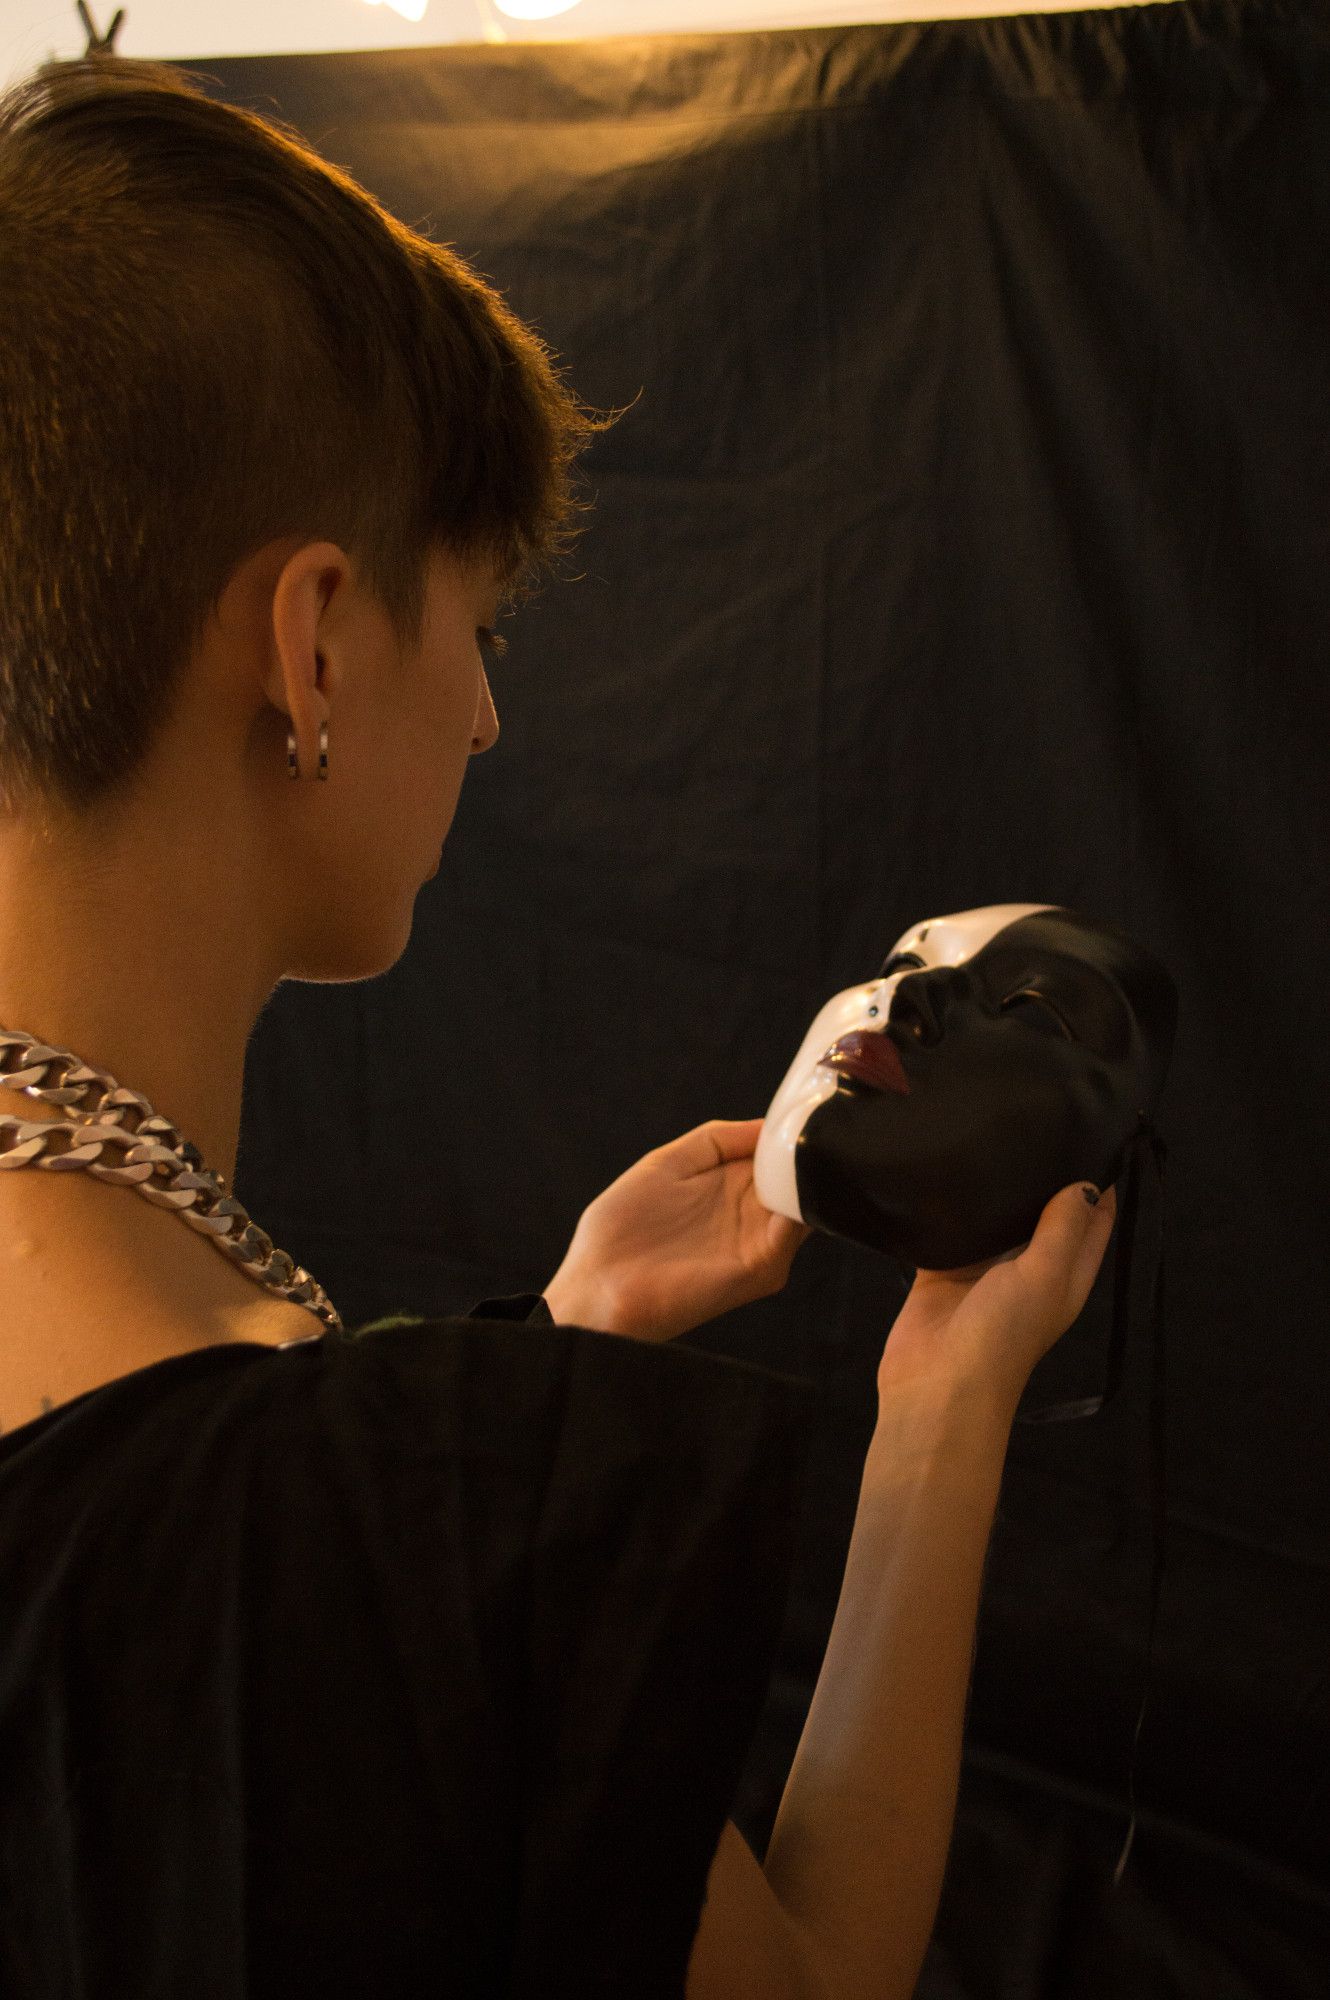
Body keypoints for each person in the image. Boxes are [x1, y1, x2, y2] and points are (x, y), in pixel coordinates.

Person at [0, 53, 1118, 1999]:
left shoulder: (317, 1476)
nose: (490, 716)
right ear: (315, 644)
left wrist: (547, 1371)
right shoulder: (352, 1521)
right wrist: (940, 1405)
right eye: (481, 626)